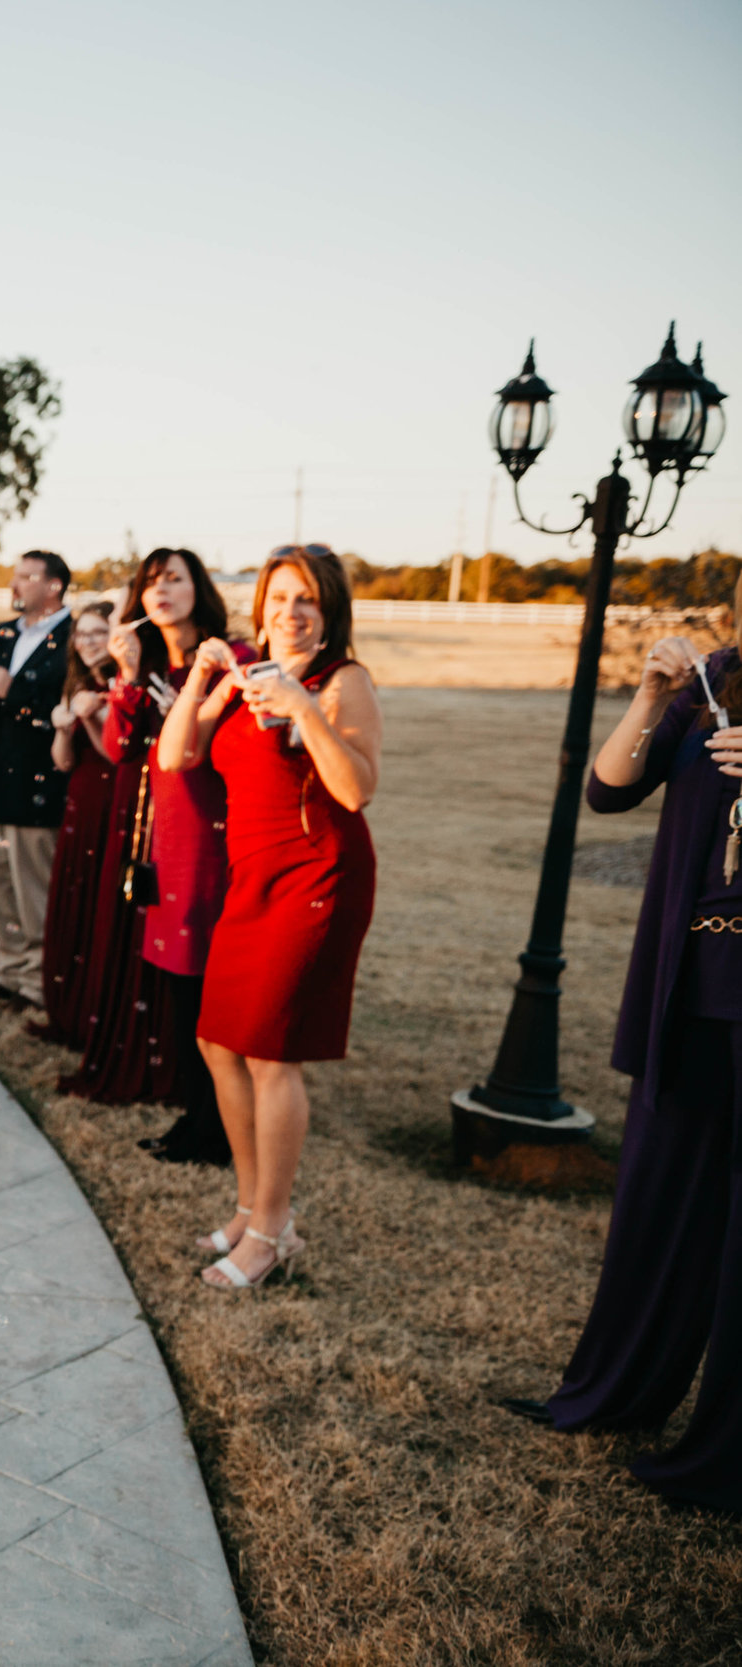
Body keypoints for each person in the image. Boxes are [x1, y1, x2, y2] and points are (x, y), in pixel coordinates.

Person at [513, 604, 742, 1514]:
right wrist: (651, 693)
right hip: (691, 988)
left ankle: (724, 1446)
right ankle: (613, 1393)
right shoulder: (715, 678)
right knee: (656, 1205)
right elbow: (609, 788)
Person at [163, 544, 380, 1290]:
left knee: (269, 1052)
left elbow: (355, 790)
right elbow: (172, 757)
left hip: (318, 875)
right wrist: (200, 679)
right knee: (217, 1042)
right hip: (249, 879)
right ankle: (254, 1207)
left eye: (307, 599)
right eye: (279, 597)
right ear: (261, 605)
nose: (290, 611)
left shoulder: (343, 680)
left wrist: (304, 706)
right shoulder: (239, 669)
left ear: (329, 612)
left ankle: (268, 1233)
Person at [61, 550, 238, 1167]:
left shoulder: (223, 658)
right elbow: (118, 745)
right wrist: (127, 673)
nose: (161, 591)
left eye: (175, 579)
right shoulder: (147, 661)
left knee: (201, 984)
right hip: (158, 836)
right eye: (151, 582)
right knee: (172, 983)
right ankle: (196, 1116)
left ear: (198, 589)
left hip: (208, 833)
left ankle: (217, 1126)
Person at [0, 550, 73, 1008]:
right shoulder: (7, 633)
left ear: (54, 586)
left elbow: (58, 707)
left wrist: (15, 693)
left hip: (35, 783)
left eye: (27, 577)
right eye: (15, 576)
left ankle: (35, 983)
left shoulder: (72, 639)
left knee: (33, 890)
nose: (15, 585)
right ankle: (7, 971)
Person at [34, 602, 117, 1043]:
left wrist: (92, 714)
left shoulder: (121, 686)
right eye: (81, 634)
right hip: (79, 804)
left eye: (98, 632)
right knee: (75, 898)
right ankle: (68, 1007)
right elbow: (62, 763)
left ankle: (97, 1011)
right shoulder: (77, 684)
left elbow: (116, 755)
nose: (87, 641)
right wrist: (63, 729)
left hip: (114, 805)